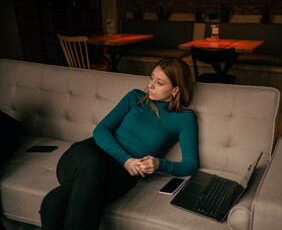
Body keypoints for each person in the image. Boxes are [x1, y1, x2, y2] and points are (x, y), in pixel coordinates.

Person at [39, 58, 199, 230]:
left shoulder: (185, 118)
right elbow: (101, 130)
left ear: (176, 89)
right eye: (151, 78)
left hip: (119, 176)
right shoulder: (135, 97)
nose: (151, 85)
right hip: (87, 155)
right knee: (92, 164)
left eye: (159, 83)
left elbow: (190, 165)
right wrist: (126, 160)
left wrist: (159, 163)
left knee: (53, 203)